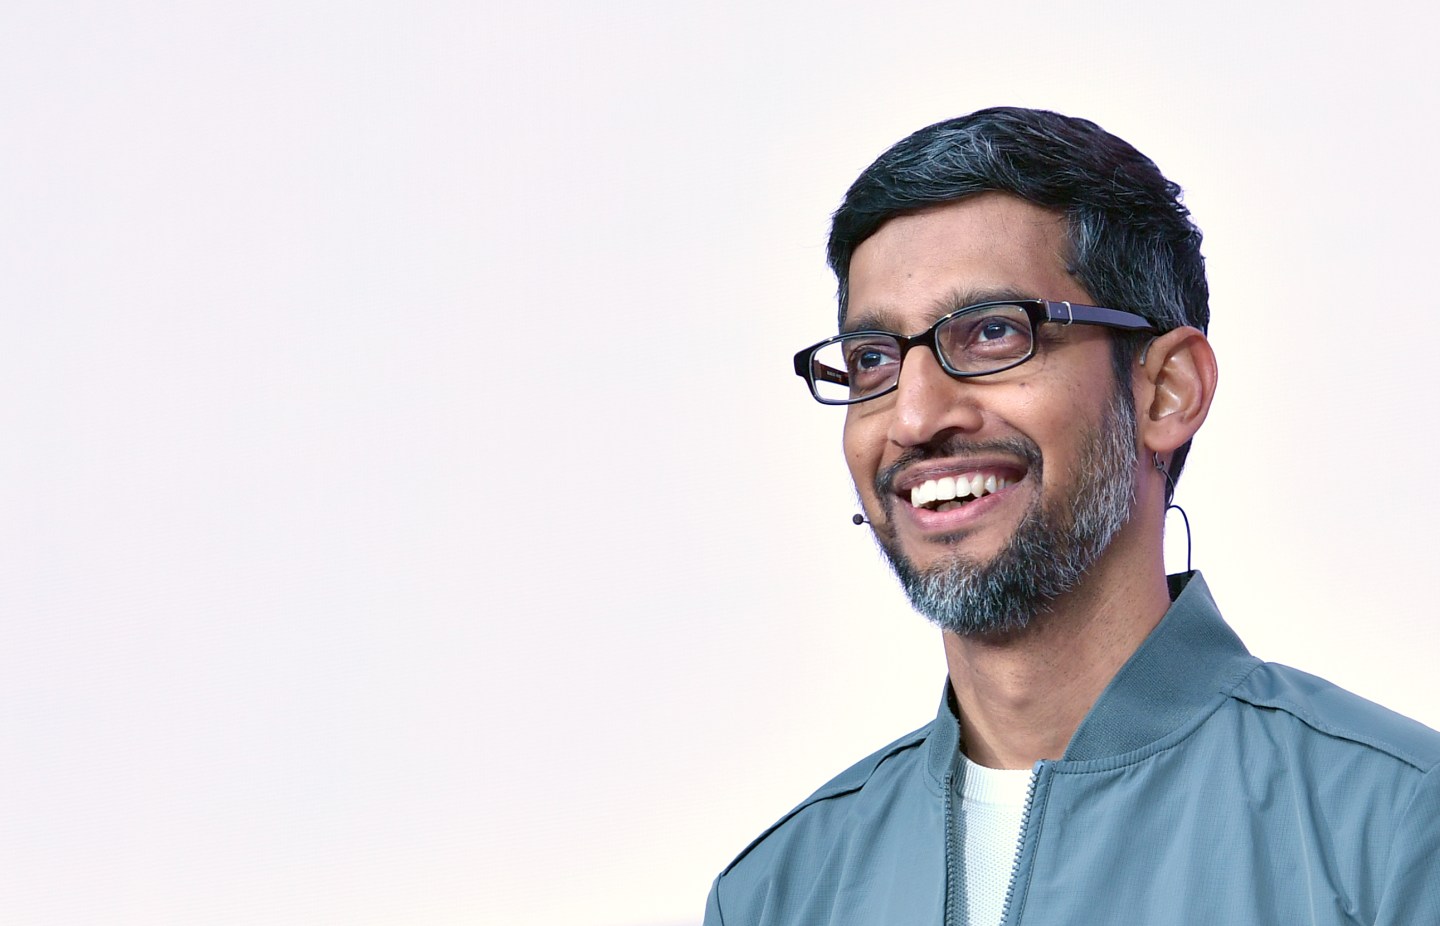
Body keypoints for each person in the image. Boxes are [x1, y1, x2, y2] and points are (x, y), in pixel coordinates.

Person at [703, 107, 1440, 926]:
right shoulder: (779, 893)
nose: (912, 417)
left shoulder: (1394, 826)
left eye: (990, 333)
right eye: (874, 360)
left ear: (1166, 391)